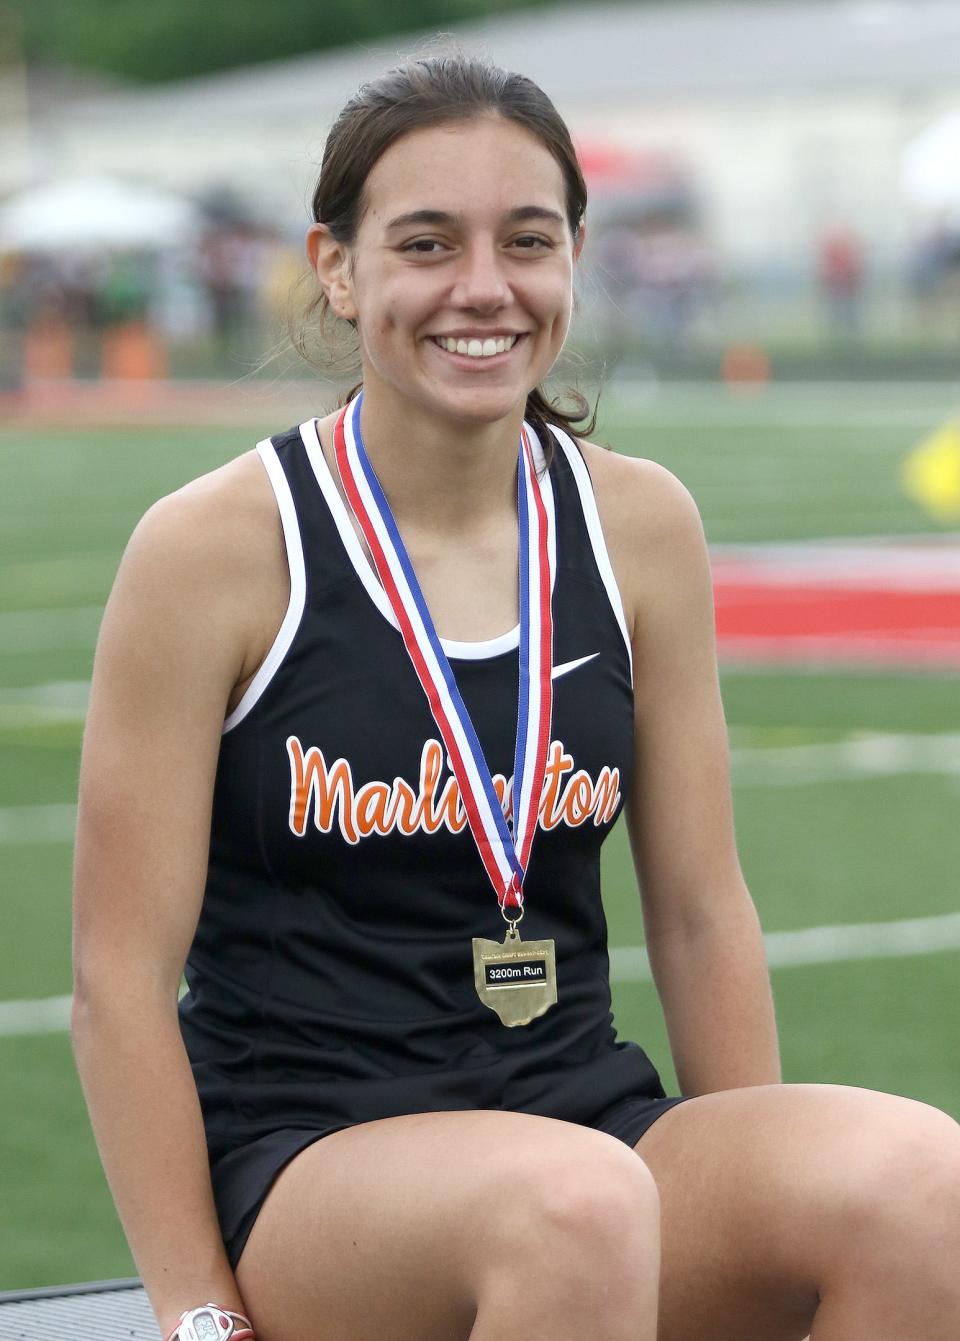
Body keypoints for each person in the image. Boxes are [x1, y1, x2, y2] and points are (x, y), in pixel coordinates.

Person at [71, 51, 960, 1341]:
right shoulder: (214, 547)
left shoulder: (639, 523)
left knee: (922, 1183)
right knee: (574, 1208)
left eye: (525, 241)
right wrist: (197, 1315)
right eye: (427, 242)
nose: (482, 288)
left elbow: (704, 910)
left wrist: (754, 1193)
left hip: (586, 1124)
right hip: (315, 1163)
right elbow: (114, 978)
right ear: (336, 266)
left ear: (574, 259)